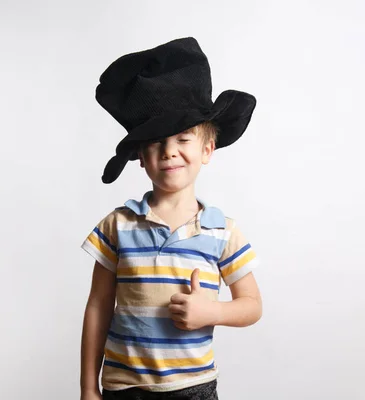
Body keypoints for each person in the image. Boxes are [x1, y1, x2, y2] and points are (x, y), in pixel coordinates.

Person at [80, 37, 262, 400]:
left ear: (207, 149)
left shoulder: (223, 231)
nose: (169, 152)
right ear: (141, 158)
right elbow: (99, 304)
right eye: (155, 143)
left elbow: (252, 305)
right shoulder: (118, 225)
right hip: (124, 389)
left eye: (183, 138)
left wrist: (210, 311)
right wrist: (88, 387)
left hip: (192, 388)